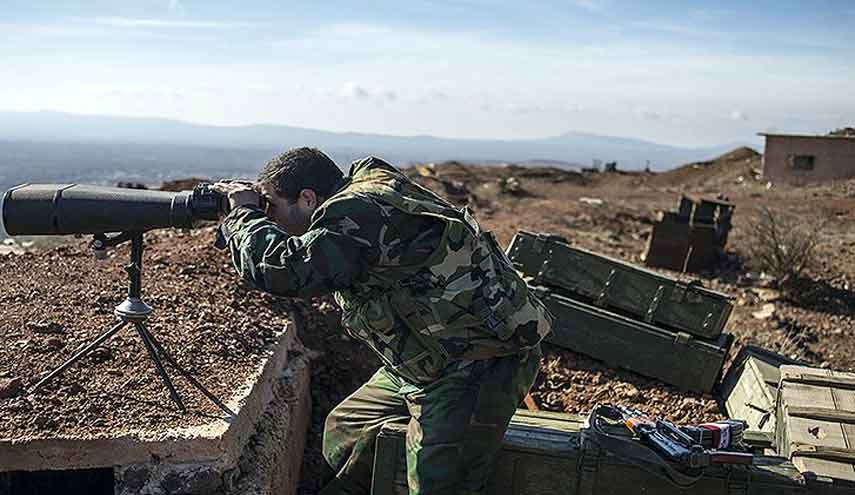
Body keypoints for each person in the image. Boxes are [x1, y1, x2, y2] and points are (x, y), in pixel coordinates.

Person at [214, 147, 553, 495]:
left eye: (271, 206)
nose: (269, 218)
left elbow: (286, 271)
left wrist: (243, 216)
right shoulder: (360, 199)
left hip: (476, 363)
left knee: (438, 483)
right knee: (347, 429)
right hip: (424, 358)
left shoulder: (357, 210)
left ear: (307, 198)